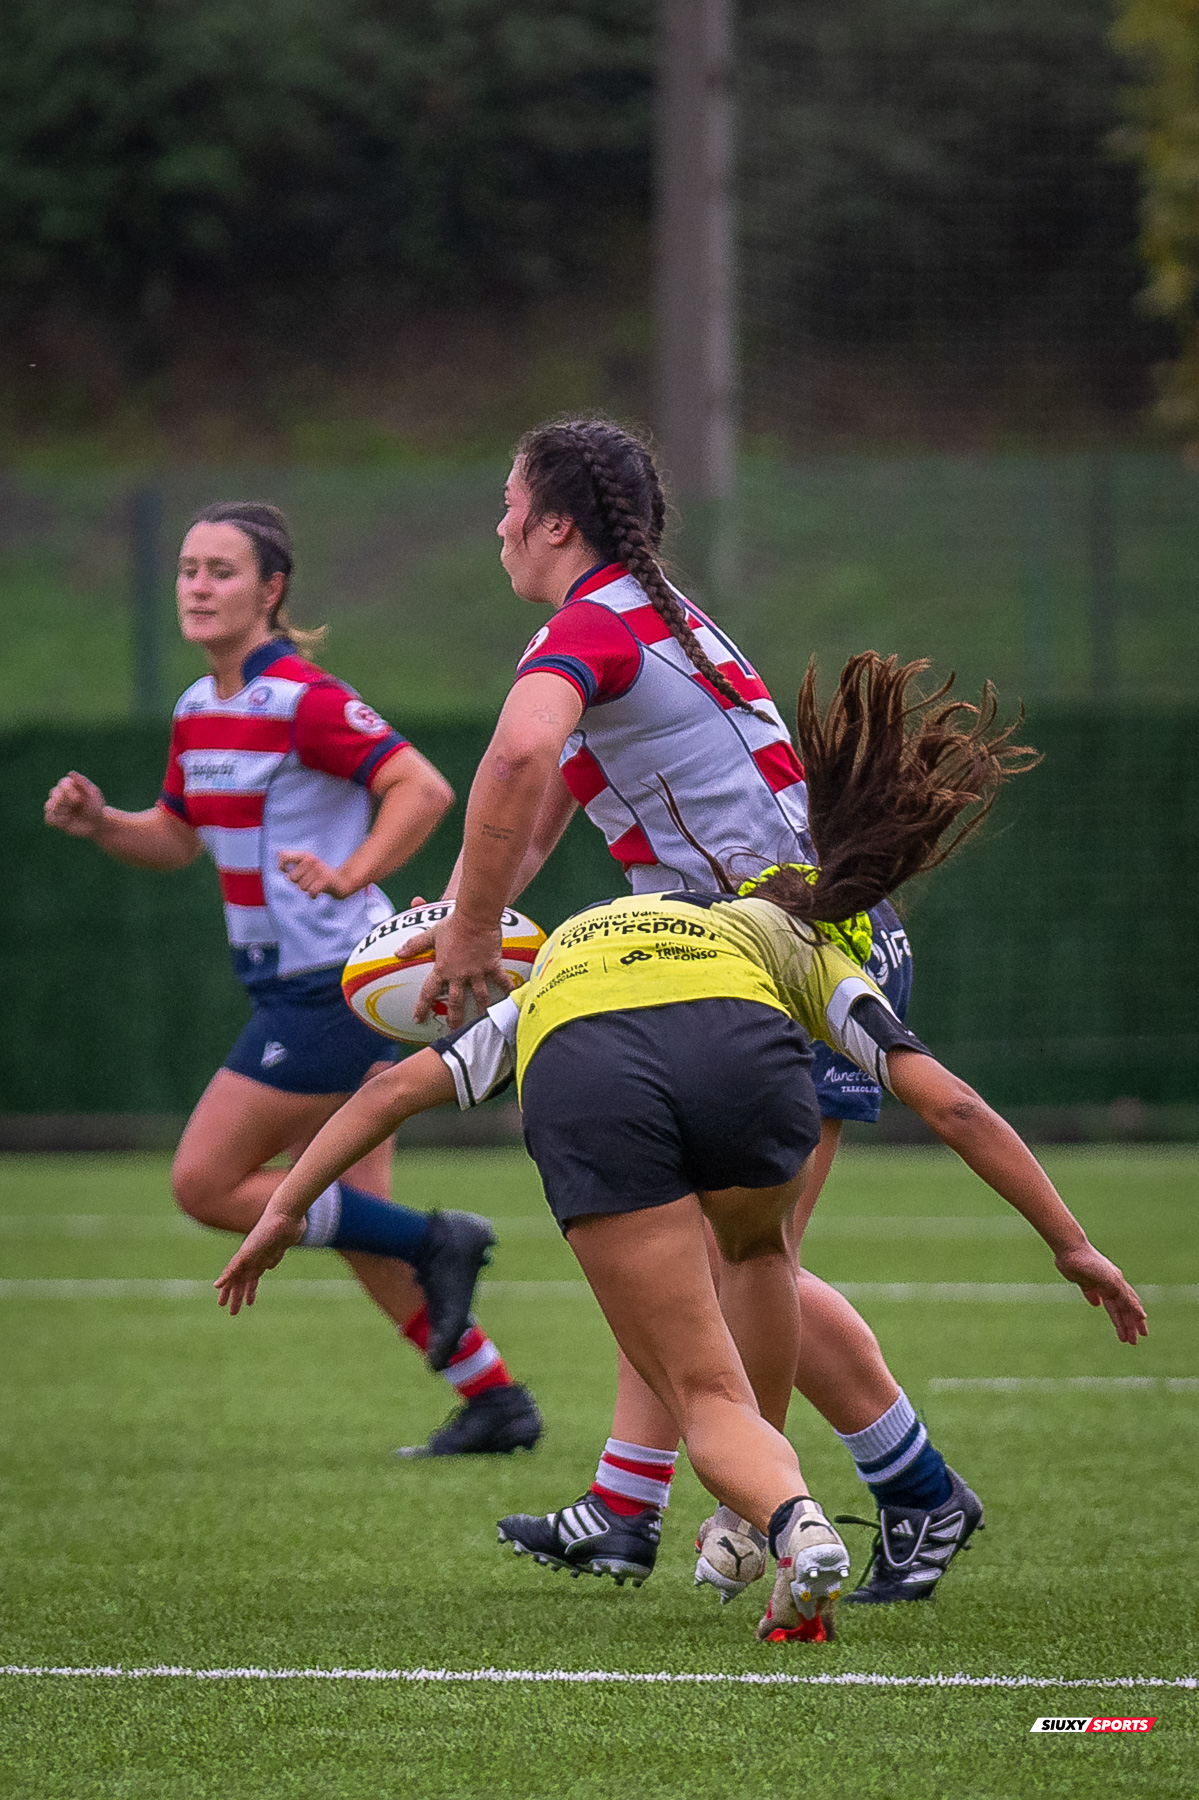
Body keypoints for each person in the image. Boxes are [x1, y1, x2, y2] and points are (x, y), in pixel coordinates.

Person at [211, 652, 1147, 1647]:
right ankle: (726, 1505)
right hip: (745, 1062)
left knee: (702, 1378)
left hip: (588, 1068)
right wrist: (1068, 1241)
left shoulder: (578, 946)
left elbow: (398, 1089)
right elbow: (952, 1108)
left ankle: (780, 1518)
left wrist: (281, 1211)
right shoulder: (780, 939)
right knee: (754, 1259)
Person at [398, 416, 978, 1600]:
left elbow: (513, 763)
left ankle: (908, 1492)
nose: (496, 524)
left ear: (554, 521)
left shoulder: (589, 625)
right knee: (692, 1251)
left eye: (507, 502)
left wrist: (464, 936)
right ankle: (627, 1506)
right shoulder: (643, 614)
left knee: (734, 1261)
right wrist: (465, 908)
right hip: (772, 949)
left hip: (779, 958)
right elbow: (551, 802)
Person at [44, 500, 542, 1456]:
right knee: (354, 1218)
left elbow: (422, 786)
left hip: (332, 984)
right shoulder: (199, 709)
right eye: (188, 569)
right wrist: (106, 821)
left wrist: (354, 873)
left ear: (271, 591)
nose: (196, 586)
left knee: (205, 1181)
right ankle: (495, 1402)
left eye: (220, 571)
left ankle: (439, 1240)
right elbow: (177, 838)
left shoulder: (301, 698)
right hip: (293, 984)